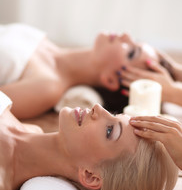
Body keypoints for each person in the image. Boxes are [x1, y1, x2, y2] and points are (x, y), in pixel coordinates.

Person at [0, 91, 178, 190]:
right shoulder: (29, 128)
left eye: (110, 131)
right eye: (114, 114)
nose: (98, 108)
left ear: (90, 176)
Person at [1, 23, 180, 119]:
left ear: (111, 80)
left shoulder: (47, 87)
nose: (126, 34)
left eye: (131, 52)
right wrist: (173, 69)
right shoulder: (45, 42)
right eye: (136, 40)